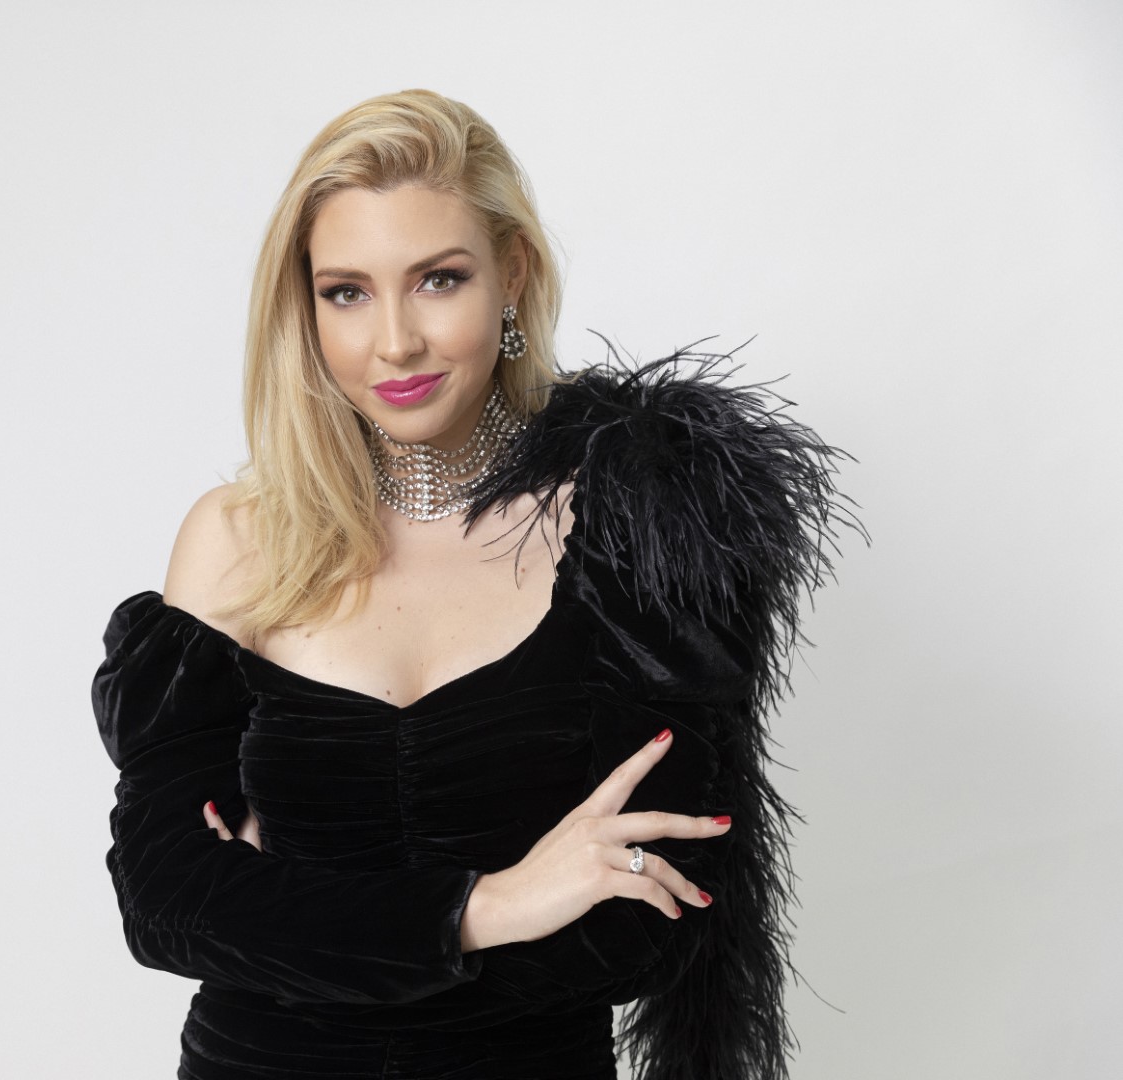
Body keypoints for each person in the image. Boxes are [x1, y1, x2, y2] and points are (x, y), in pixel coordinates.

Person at [92, 89, 863, 1080]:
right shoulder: (237, 540)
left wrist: (281, 917)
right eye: (346, 292)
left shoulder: (644, 525)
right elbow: (165, 904)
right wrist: (493, 904)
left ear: (513, 276)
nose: (395, 341)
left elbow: (641, 932)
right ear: (305, 308)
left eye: (439, 280)